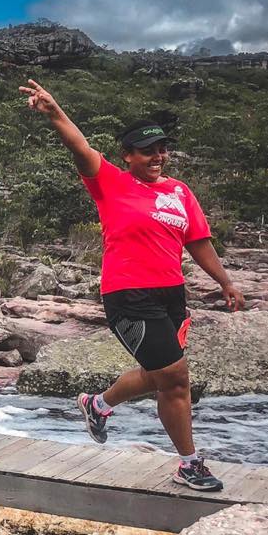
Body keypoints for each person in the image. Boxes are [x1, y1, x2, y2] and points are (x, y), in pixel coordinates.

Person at [19, 79, 244, 492]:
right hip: (128, 294)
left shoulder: (179, 191)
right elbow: (80, 148)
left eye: (162, 149)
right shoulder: (110, 182)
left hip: (171, 294)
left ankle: (97, 404)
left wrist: (225, 282)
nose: (158, 157)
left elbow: (198, 242)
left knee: (159, 375)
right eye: (148, 151)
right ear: (128, 156)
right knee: (176, 378)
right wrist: (54, 113)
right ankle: (189, 464)